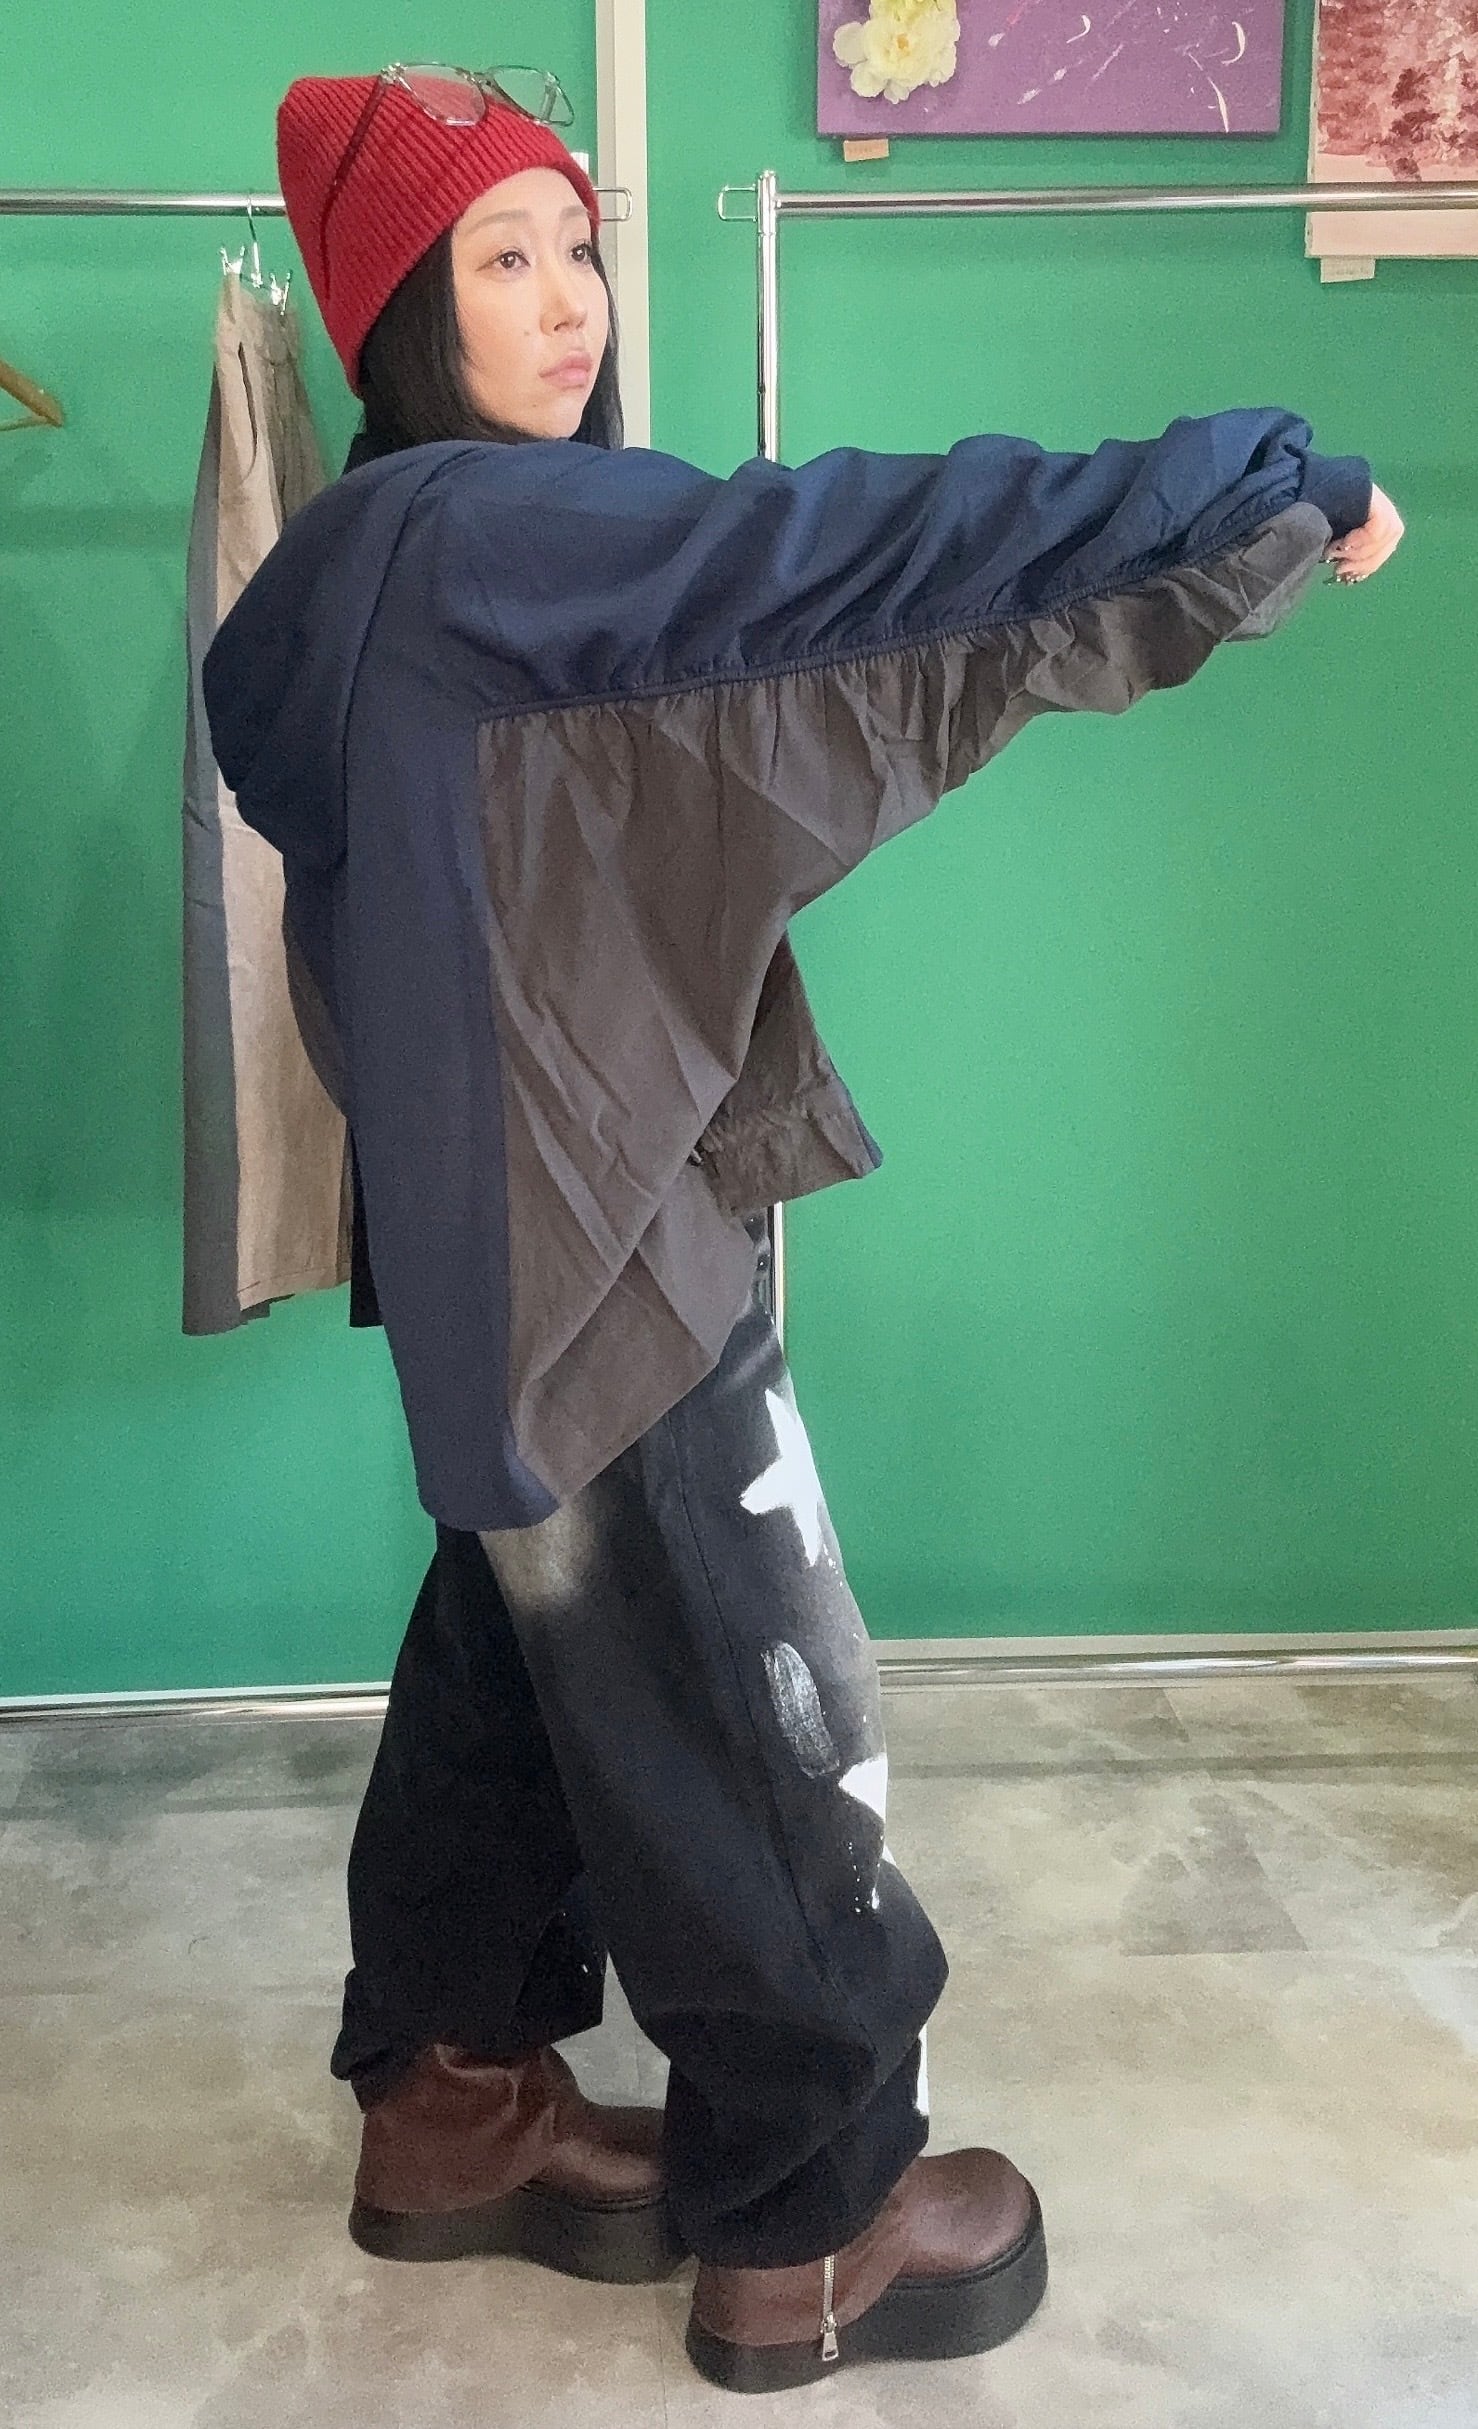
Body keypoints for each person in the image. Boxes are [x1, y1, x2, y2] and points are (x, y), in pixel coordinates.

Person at [203, 65, 1405, 2396]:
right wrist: (1247, 486)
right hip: (601, 1250)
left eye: (575, 244)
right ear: (399, 316)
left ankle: (452, 2103)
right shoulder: (494, 541)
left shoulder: (367, 563)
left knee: (524, 1663)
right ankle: (817, 2221)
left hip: (484, 1248)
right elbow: (855, 565)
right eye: (499, 260)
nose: (567, 300)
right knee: (750, 1712)